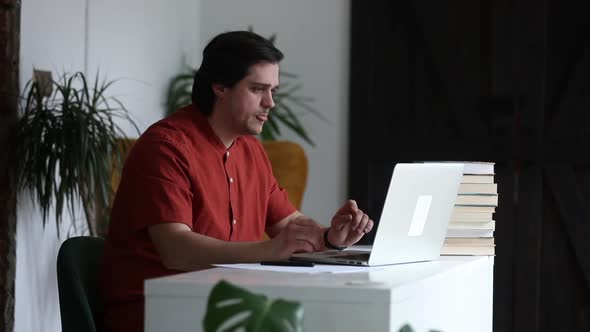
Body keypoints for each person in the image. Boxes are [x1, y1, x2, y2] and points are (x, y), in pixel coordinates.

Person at [100, 30, 374, 332]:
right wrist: (269, 251)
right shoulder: (165, 146)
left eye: (273, 91)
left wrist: (330, 237)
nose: (270, 103)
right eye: (258, 89)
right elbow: (176, 249)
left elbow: (290, 227)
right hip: (156, 311)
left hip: (228, 304)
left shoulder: (251, 150)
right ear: (219, 86)